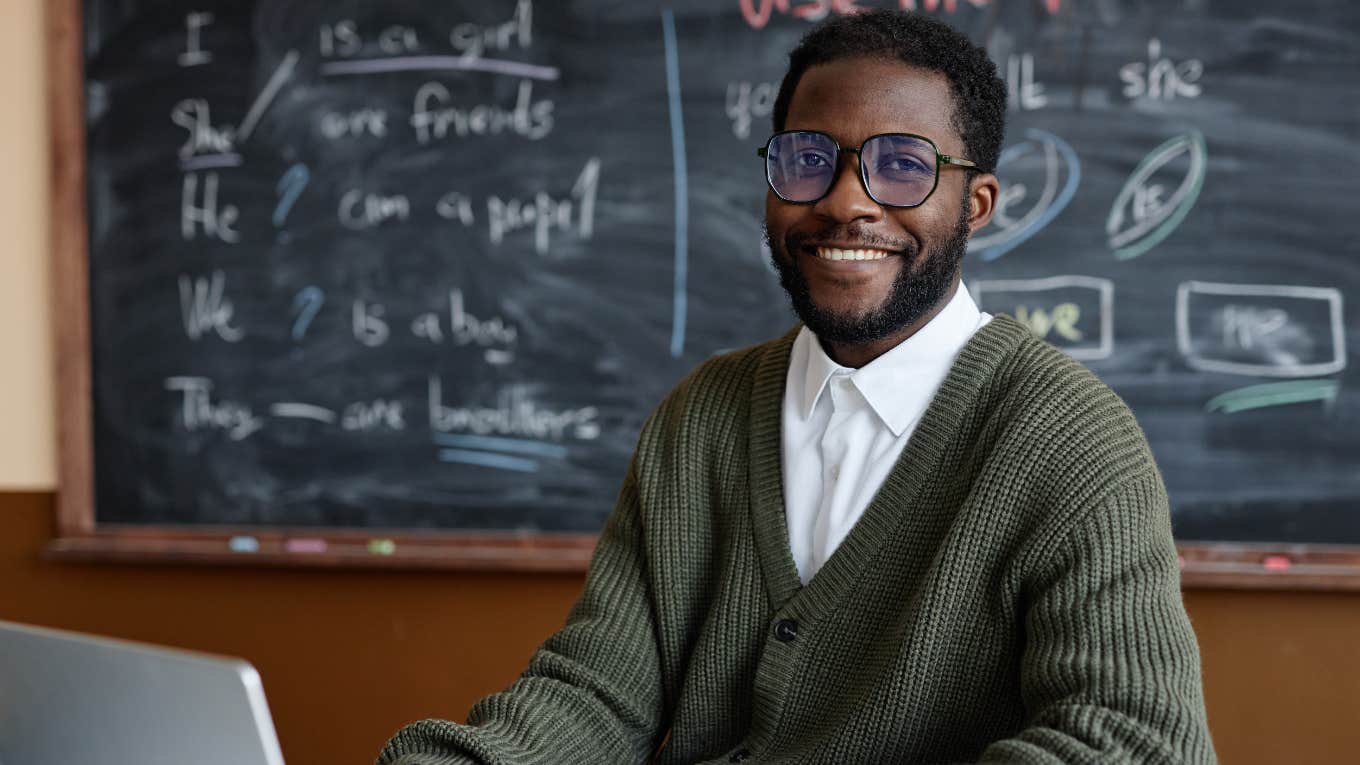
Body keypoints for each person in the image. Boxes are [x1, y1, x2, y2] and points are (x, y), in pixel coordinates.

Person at [379, 10, 1215, 764]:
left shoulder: (1072, 441)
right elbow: (597, 691)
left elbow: (1134, 739)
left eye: (902, 166)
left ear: (978, 203)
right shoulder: (700, 415)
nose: (846, 202)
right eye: (808, 159)